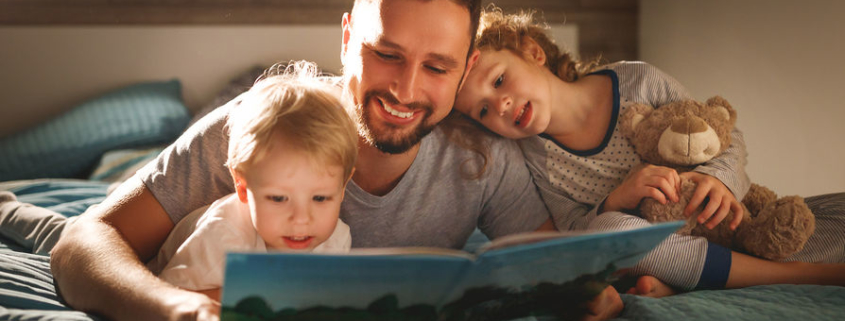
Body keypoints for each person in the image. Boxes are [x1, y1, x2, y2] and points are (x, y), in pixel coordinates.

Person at [48, 1, 626, 321]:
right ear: (347, 38)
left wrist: (587, 294)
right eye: (385, 54)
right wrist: (175, 309)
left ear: (467, 64)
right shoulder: (271, 121)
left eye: (437, 67)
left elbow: (558, 265)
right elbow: (82, 242)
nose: (405, 90)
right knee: (43, 222)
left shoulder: (484, 156)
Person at [453, 7, 845, 297]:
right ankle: (796, 274)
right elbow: (575, 232)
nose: (499, 105)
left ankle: (681, 283)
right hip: (656, 246)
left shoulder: (638, 80)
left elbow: (725, 137)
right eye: (483, 111)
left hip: (727, 218)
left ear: (533, 52)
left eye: (499, 80)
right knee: (615, 234)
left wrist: (717, 178)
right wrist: (616, 199)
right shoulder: (535, 159)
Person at [1, 62, 358, 303]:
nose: (302, 219)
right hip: (147, 262)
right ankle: (9, 208)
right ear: (244, 190)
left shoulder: (337, 236)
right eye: (279, 199)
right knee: (58, 233)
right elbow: (167, 297)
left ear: (344, 188)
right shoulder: (224, 236)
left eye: (321, 199)